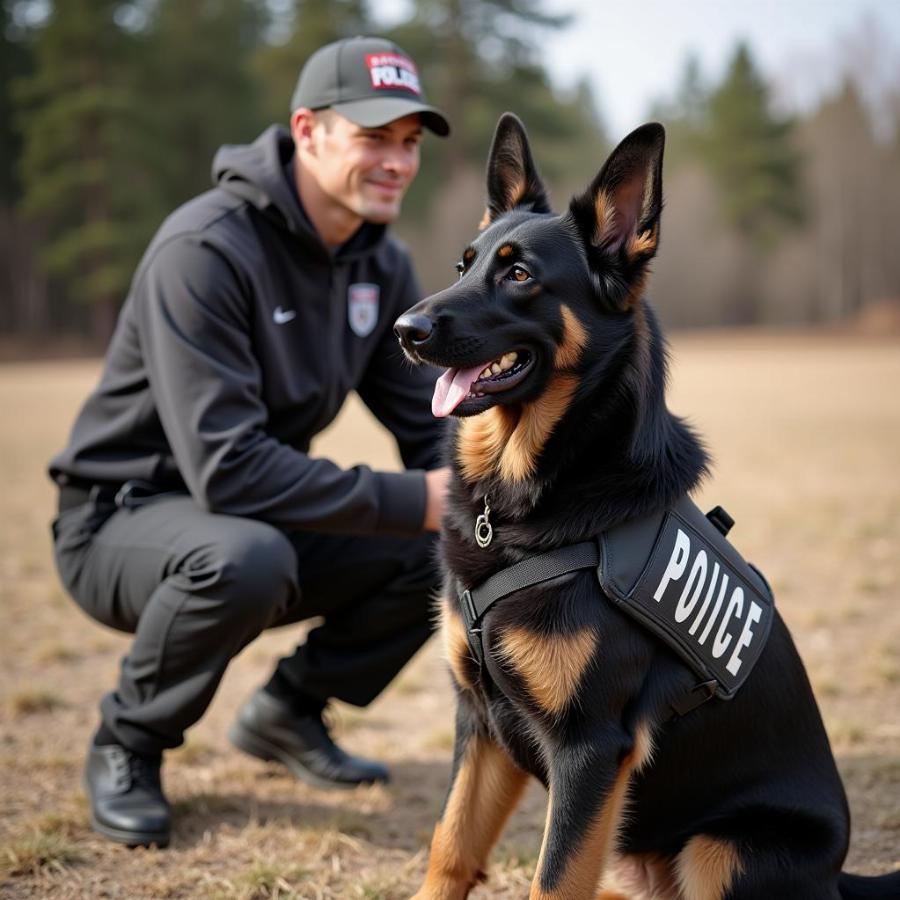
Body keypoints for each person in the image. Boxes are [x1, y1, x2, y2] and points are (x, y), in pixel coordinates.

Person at [48, 36, 450, 849]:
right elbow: (227, 469)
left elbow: (428, 428)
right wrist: (423, 499)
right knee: (248, 557)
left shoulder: (381, 264)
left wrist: (484, 499)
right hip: (121, 520)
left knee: (443, 544)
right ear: (308, 131)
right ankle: (126, 742)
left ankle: (287, 713)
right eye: (376, 138)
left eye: (409, 143)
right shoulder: (206, 252)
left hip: (249, 516)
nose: (399, 163)